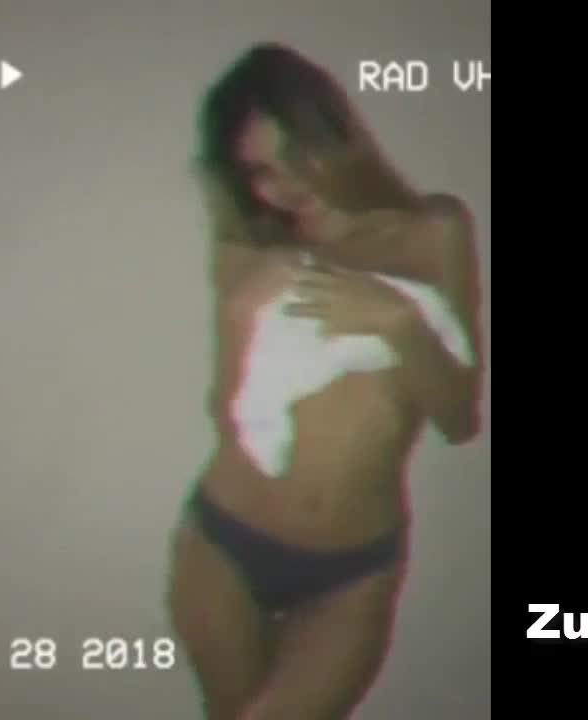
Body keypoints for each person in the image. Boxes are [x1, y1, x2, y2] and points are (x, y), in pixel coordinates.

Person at [166, 42, 485, 720]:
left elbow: (461, 420)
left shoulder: (434, 231)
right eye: (261, 171)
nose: (285, 187)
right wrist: (238, 317)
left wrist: (399, 323)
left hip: (354, 566)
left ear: (335, 139)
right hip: (226, 540)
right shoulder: (249, 251)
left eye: (298, 155)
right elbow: (228, 415)